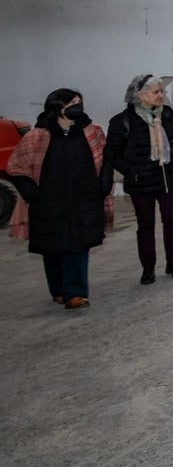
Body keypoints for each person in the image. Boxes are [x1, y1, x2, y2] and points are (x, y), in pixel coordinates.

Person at [9, 88, 113, 310]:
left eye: (79, 102)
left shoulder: (92, 132)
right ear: (57, 107)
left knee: (78, 245)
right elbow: (16, 168)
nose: (77, 106)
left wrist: (103, 185)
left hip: (84, 199)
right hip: (50, 201)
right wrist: (34, 196)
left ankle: (76, 293)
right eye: (72, 103)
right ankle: (58, 290)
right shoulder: (37, 136)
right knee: (53, 247)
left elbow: (106, 159)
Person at [106, 74, 173, 285]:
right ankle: (148, 268)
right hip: (141, 182)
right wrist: (132, 171)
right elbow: (112, 154)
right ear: (140, 95)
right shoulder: (122, 121)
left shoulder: (168, 114)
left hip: (169, 178)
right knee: (145, 225)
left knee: (172, 222)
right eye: (155, 92)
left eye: (161, 91)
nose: (160, 95)